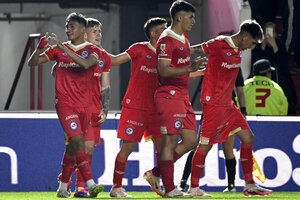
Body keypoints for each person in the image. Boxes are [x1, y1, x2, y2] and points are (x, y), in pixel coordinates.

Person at [189, 19, 273, 197]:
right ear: (244, 36)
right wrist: (173, 48)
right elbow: (193, 49)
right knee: (205, 146)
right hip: (213, 103)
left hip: (228, 104)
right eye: (251, 42)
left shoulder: (238, 50)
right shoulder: (219, 44)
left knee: (248, 137)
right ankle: (193, 188)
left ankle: (249, 184)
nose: (251, 46)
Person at [27, 12, 104, 198]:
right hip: (65, 104)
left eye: (72, 27)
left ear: (82, 30)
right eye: (67, 26)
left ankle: (62, 187)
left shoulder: (93, 50)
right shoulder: (58, 50)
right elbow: (33, 63)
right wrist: (39, 49)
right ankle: (90, 183)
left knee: (71, 148)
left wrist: (64, 47)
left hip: (85, 106)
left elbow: (86, 64)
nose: (68, 30)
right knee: (78, 142)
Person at [145, 1, 208, 198]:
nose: (193, 21)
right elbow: (163, 71)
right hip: (169, 95)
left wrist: (201, 67)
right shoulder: (166, 40)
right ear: (179, 17)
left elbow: (181, 67)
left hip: (182, 95)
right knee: (170, 141)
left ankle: (155, 173)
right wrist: (190, 67)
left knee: (190, 141)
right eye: (190, 17)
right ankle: (170, 188)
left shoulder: (184, 37)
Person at [108, 17, 168, 198]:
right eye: (164, 29)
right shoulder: (138, 48)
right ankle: (116, 188)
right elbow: (116, 60)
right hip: (135, 106)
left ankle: (159, 182)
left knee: (164, 150)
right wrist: (94, 50)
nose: (167, 32)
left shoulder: (167, 54)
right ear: (153, 33)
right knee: (128, 147)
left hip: (156, 109)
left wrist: (199, 70)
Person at [177, 69, 247, 193]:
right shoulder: (215, 63)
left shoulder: (232, 65)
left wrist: (243, 111)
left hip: (227, 110)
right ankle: (184, 182)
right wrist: (243, 110)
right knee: (202, 147)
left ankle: (231, 186)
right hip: (213, 109)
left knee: (226, 149)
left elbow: (240, 90)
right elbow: (240, 91)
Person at [252, 22, 297, 115]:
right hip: (262, 76)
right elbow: (256, 64)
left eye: (271, 32)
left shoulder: (280, 45)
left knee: (287, 89)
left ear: (276, 34)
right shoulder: (258, 47)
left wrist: (275, 47)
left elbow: (283, 65)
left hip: (279, 77)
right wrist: (263, 47)